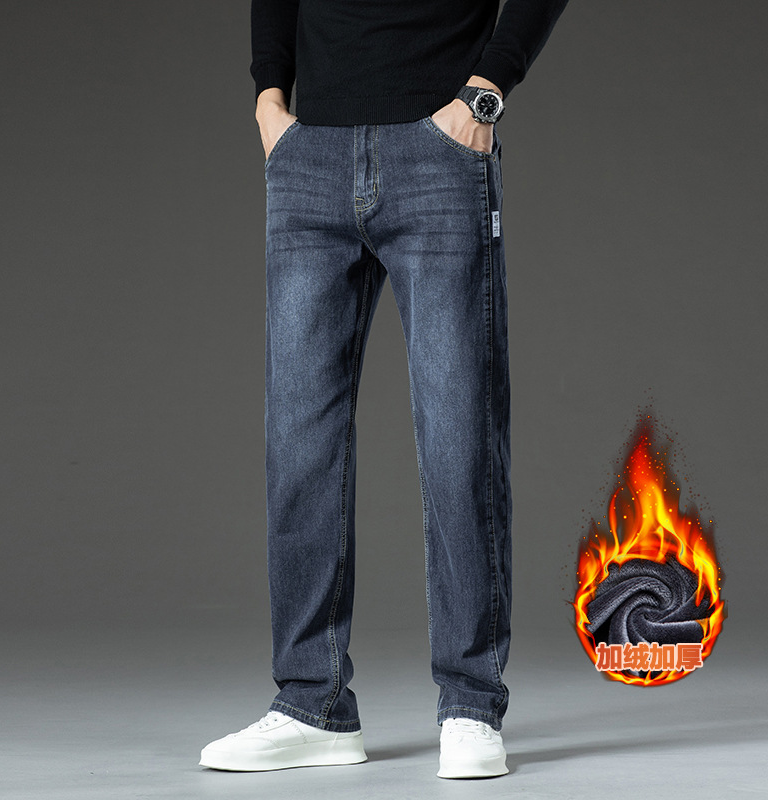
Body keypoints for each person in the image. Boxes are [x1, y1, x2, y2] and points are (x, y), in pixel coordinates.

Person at [200, 0, 568, 779]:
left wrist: (484, 93)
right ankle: (313, 704)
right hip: (308, 154)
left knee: (460, 431)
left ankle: (470, 704)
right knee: (298, 444)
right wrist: (269, 99)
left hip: (439, 148)